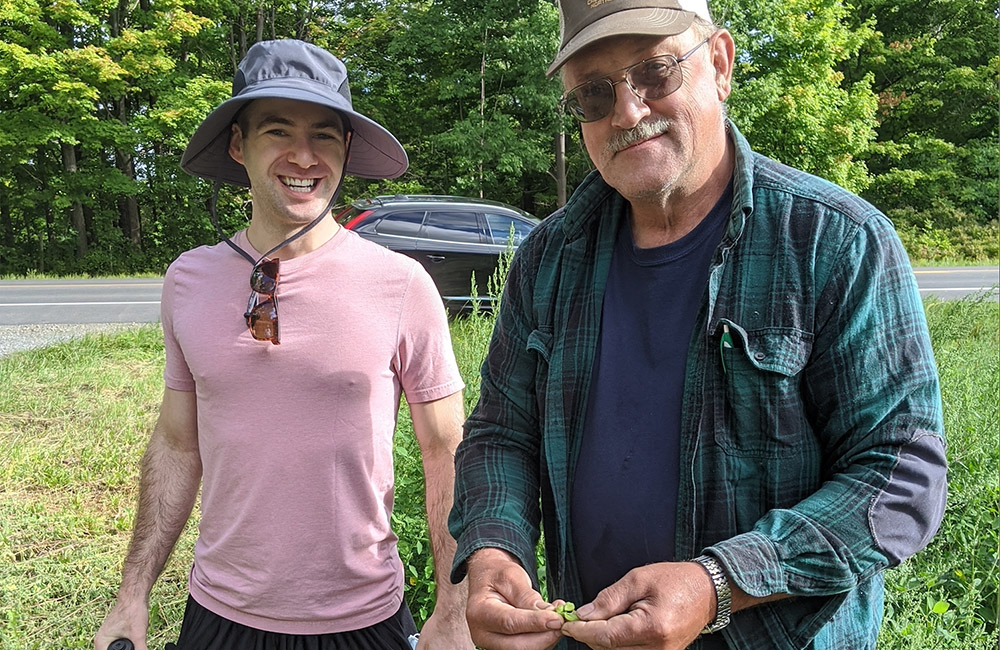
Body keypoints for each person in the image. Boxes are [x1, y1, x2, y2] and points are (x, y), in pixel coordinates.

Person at [448, 1, 948, 649]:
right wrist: (495, 548)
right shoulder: (548, 257)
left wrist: (720, 583)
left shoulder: (835, 241)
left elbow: (900, 478)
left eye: (655, 73)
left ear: (719, 63)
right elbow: (500, 435)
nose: (627, 112)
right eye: (594, 95)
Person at [95, 39, 474, 650]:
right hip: (218, 616)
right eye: (277, 130)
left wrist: (452, 609)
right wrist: (132, 592)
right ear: (239, 146)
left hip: (363, 620)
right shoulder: (187, 281)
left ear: (347, 151)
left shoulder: (401, 284)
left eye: (325, 134)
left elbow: (446, 450)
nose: (304, 155)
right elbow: (175, 441)